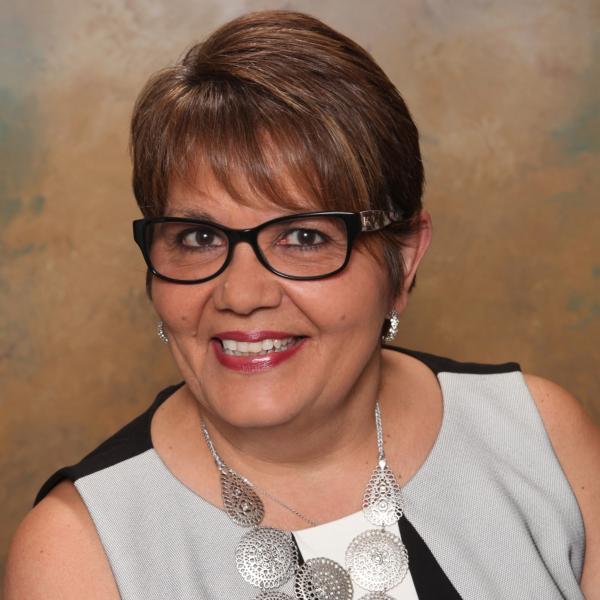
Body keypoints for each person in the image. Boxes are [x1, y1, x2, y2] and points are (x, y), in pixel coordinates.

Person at [4, 10, 600, 600]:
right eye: (198, 237)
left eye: (305, 237)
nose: (241, 295)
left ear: (405, 260)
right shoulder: (75, 553)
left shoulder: (539, 438)